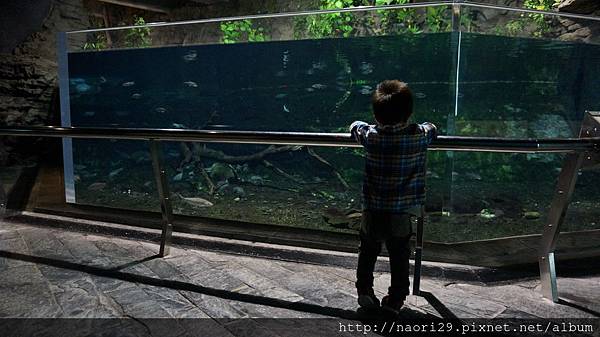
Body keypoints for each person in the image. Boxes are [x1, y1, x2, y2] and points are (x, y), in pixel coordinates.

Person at [349, 79, 437, 313]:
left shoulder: (371, 136)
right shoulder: (418, 135)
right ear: (409, 113)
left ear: (376, 116)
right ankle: (396, 299)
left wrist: (360, 123)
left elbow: (355, 127)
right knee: (399, 256)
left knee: (367, 251)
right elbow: (431, 128)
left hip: (372, 209)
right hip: (401, 211)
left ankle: (365, 292)